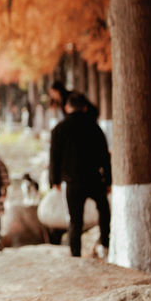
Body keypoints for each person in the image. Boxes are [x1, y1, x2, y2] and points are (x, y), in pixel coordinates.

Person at [49, 90, 112, 258]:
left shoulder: (58, 129)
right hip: (94, 179)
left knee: (75, 220)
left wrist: (54, 180)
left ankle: (75, 253)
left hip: (72, 182)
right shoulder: (95, 128)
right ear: (84, 108)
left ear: (67, 107)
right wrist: (108, 180)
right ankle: (105, 243)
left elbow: (54, 158)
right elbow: (105, 157)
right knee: (104, 210)